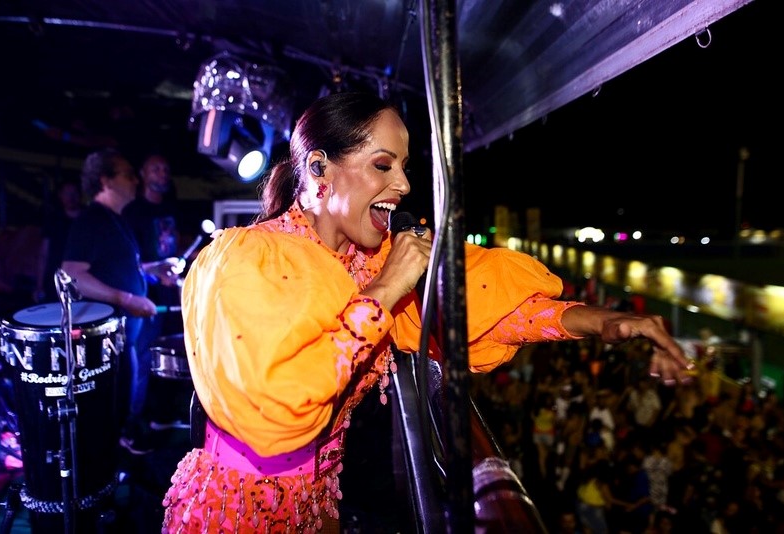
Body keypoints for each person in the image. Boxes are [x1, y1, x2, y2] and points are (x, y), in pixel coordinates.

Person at [161, 91, 694, 532]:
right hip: (234, 512)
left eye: (405, 167)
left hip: (320, 505)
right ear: (320, 167)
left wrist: (603, 322)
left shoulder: (372, 261)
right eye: (382, 165)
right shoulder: (247, 258)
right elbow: (278, 401)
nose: (405, 185)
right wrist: (387, 287)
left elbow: (482, 298)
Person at [62, 147, 174, 455]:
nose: (136, 179)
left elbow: (119, 267)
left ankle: (122, 448)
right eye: (127, 174)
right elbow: (71, 273)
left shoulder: (116, 219)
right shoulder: (92, 220)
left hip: (125, 332)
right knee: (107, 413)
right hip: (105, 338)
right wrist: (125, 299)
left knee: (124, 401)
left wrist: (154, 270)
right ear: (106, 180)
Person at [122, 152, 186, 429]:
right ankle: (137, 421)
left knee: (175, 353)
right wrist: (157, 269)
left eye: (165, 169)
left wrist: (177, 265)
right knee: (144, 357)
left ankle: (168, 412)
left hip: (172, 294)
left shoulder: (171, 207)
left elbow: (173, 247)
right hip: (146, 297)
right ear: (143, 174)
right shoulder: (132, 212)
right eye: (156, 169)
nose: (162, 174)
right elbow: (128, 263)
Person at [33, 178, 83, 303]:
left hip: (83, 278)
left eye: (74, 193)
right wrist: (39, 286)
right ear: (60, 196)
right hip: (56, 279)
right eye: (67, 193)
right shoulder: (54, 220)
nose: (71, 197)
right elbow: (43, 254)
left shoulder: (87, 219)